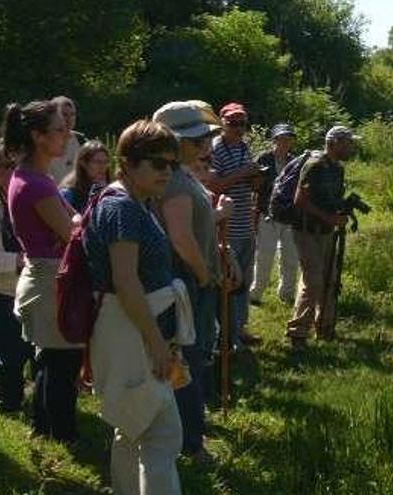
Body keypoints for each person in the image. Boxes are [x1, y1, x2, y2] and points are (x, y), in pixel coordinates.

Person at [83, 119, 190, 494]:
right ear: (127, 162)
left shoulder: (136, 203)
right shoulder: (123, 208)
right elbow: (126, 283)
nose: (167, 171)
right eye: (158, 163)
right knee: (162, 434)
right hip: (129, 330)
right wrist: (157, 344)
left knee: (131, 427)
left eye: (172, 164)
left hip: (134, 327)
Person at [154, 100, 235, 462]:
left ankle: (189, 431)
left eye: (206, 135)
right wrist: (205, 275)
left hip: (193, 280)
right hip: (186, 282)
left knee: (196, 357)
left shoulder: (182, 174)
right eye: (196, 137)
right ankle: (190, 441)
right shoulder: (172, 181)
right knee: (189, 360)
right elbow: (181, 238)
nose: (205, 142)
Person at [4, 100, 83, 442]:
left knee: (51, 360)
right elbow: (72, 233)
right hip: (49, 278)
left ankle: (45, 429)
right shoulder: (36, 184)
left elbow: (72, 223)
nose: (66, 134)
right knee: (61, 363)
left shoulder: (35, 177)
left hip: (45, 275)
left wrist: (76, 221)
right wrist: (78, 222)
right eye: (59, 129)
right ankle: (63, 436)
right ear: (37, 136)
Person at [285, 126, 357, 350]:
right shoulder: (314, 166)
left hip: (325, 232)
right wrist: (329, 218)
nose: (351, 147)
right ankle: (298, 333)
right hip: (306, 231)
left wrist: (343, 211)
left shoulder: (337, 169)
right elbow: (300, 201)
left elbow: (330, 199)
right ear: (333, 143)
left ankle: (325, 326)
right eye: (347, 143)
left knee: (330, 280)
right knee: (314, 280)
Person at [0, 142, 33, 413]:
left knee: (19, 342)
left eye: (11, 164)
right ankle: (3, 398)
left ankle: (4, 390)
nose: (5, 170)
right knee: (4, 341)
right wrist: (16, 261)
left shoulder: (24, 192)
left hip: (25, 282)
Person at [209, 102, 262, 347]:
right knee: (228, 281)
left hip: (245, 223)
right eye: (233, 123)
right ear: (222, 123)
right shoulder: (215, 149)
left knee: (243, 282)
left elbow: (246, 184)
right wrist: (243, 173)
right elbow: (214, 187)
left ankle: (239, 328)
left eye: (242, 123)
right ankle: (226, 335)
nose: (239, 128)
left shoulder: (244, 147)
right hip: (225, 226)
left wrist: (256, 178)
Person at [249, 123, 299, 306]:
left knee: (291, 257)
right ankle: (255, 293)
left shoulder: (295, 161)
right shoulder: (264, 158)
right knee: (264, 256)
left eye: (289, 139)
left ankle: (287, 294)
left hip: (289, 216)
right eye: (281, 139)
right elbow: (254, 186)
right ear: (274, 140)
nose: (285, 143)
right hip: (266, 214)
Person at [59, 139, 111, 213]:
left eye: (106, 162)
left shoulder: (110, 191)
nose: (102, 167)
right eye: (97, 162)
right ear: (83, 163)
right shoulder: (68, 195)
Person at [47, 96, 85, 183]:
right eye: (64, 114)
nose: (69, 119)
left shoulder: (81, 141)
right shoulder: (43, 142)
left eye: (72, 114)